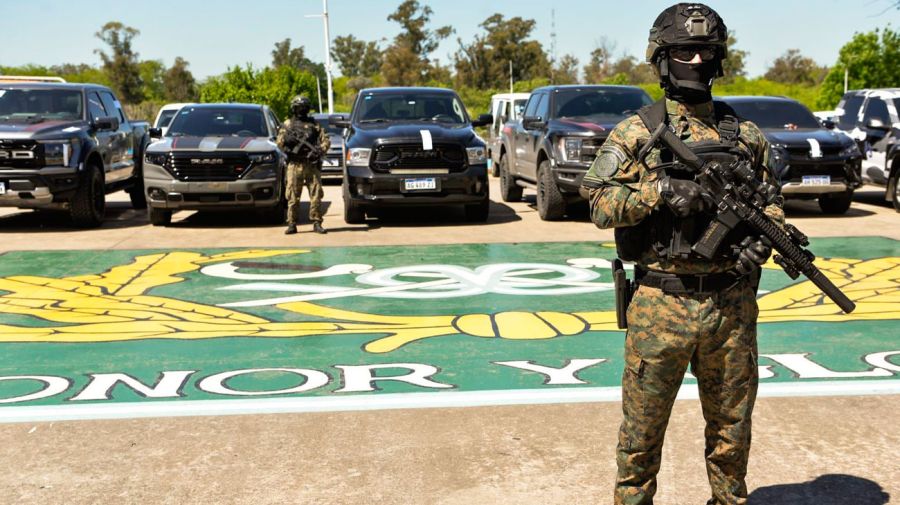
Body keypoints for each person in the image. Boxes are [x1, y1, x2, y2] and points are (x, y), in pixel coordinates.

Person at [580, 4, 785, 504]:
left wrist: (765, 238)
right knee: (641, 437)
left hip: (730, 306)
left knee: (732, 434)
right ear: (662, 59)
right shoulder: (638, 132)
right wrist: (659, 192)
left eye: (705, 51)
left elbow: (772, 204)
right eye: (683, 51)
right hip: (659, 305)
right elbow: (599, 202)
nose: (695, 59)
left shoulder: (746, 136)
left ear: (718, 60)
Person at [276, 95, 330, 235]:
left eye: (304, 107)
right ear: (294, 108)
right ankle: (292, 224)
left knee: (316, 194)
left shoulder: (315, 124)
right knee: (292, 196)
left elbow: (326, 141)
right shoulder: (288, 124)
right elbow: (279, 142)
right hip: (294, 164)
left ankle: (317, 222)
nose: (302, 110)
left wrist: (319, 151)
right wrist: (289, 146)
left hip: (311, 164)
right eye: (299, 107)